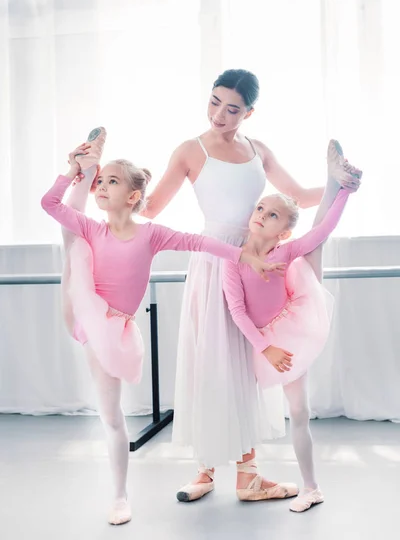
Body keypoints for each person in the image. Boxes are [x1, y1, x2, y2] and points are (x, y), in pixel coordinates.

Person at [41, 140, 280, 525]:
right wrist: (75, 173)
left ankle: (121, 494)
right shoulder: (90, 226)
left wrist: (245, 255)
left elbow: (199, 241)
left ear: (133, 195)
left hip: (117, 326)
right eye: (99, 180)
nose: (103, 187)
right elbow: (50, 206)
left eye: (111, 181)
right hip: (89, 317)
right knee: (72, 238)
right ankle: (120, 496)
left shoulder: (151, 234)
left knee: (113, 416)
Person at [222, 139, 362, 510]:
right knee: (242, 402)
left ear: (282, 232)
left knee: (299, 412)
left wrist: (345, 195)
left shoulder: (285, 250)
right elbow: (237, 311)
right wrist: (264, 347)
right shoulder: (232, 260)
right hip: (264, 342)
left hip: (292, 329)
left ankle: (311, 486)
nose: (261, 214)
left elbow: (322, 229)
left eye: (272, 216)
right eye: (261, 207)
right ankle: (222, 468)